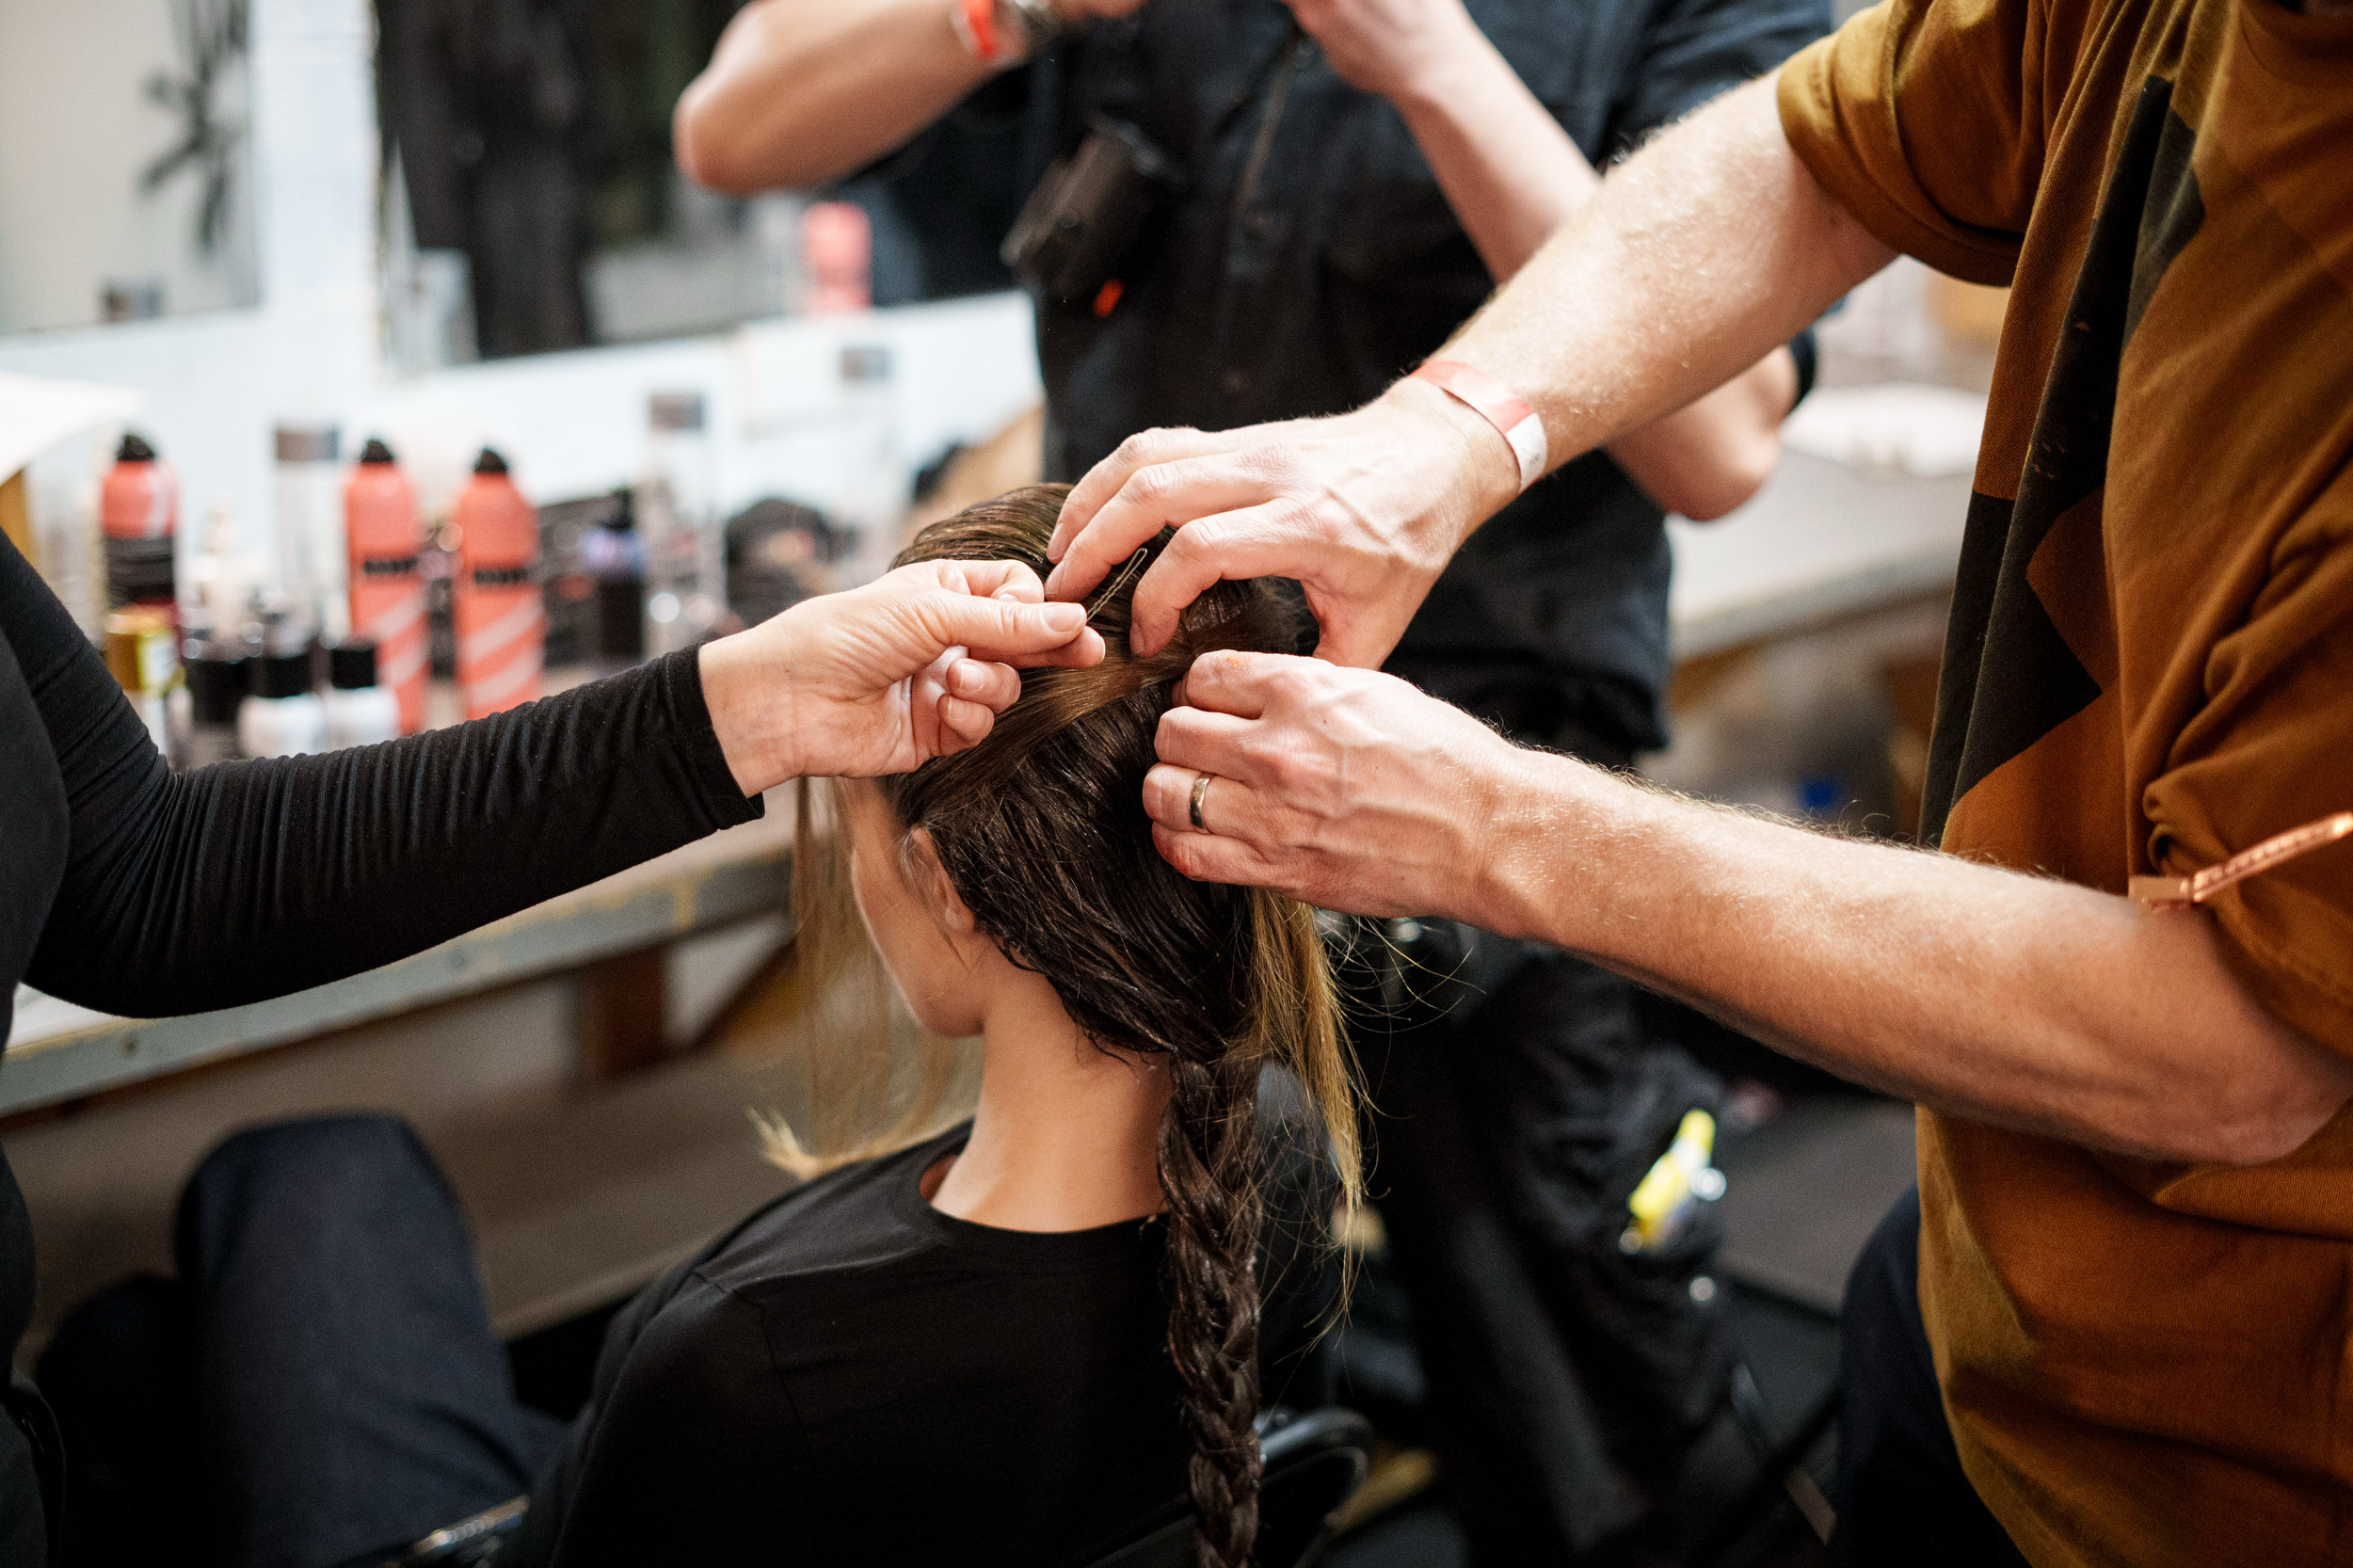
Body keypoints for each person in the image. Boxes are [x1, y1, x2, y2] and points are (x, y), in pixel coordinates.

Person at [1043, 0, 2353, 1558]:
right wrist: (1440, 435)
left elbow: (2236, 1051)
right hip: (1981, 1281)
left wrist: (1493, 825)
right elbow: (1817, 149)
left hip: (2247, 1469)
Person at [677, 1, 1829, 1551]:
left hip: (1470, 808)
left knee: (1585, 1445)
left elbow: (1728, 443)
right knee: (1116, 1400)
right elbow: (731, 127)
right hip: (1125, 792)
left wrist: (1426, 55)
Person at [37, 488, 1361, 1568]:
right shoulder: (1282, 1161)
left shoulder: (745, 1365)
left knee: (299, 1178)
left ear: (946, 885)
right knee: (136, 1348)